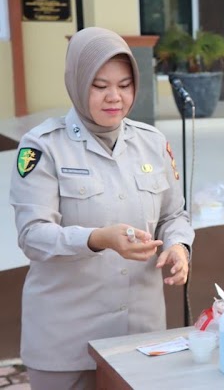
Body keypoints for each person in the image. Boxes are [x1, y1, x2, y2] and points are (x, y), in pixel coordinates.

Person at [10, 27, 194, 390]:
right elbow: (32, 235)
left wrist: (178, 246)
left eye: (125, 85)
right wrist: (97, 239)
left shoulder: (152, 143)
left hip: (139, 337)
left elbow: (175, 215)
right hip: (65, 343)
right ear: (78, 83)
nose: (115, 97)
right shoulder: (43, 147)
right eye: (100, 86)